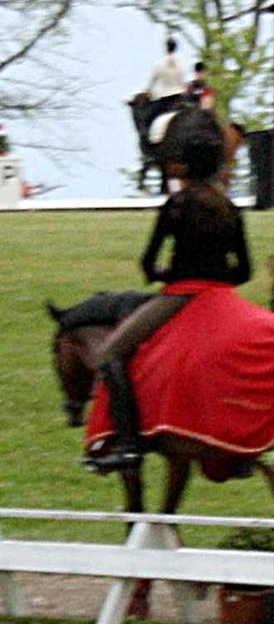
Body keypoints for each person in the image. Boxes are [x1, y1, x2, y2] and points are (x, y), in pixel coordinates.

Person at [87, 110, 251, 471]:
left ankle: (129, 444)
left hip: (179, 295)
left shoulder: (176, 206)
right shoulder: (231, 209)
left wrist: (168, 273)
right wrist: (219, 280)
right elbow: (245, 270)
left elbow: (148, 263)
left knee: (111, 353)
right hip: (225, 297)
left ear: (183, 167)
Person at [144, 37, 187, 129]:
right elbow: (182, 83)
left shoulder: (159, 65)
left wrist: (149, 93)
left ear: (166, 48)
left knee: (149, 119)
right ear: (176, 48)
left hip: (165, 99)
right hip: (179, 98)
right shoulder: (181, 64)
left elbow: (151, 85)